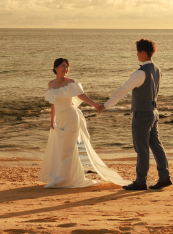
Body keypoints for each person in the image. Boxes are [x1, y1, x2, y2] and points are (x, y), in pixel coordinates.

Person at [38, 58, 130, 188]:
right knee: (61, 149)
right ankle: (70, 178)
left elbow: (82, 96)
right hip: (60, 120)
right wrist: (52, 119)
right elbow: (52, 103)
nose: (66, 69)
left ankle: (62, 180)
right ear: (56, 68)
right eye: (63, 66)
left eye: (67, 67)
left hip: (71, 118)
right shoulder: (51, 84)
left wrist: (96, 106)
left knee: (67, 149)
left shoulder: (71, 82)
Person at [98, 39, 172, 191]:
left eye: (138, 52)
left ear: (143, 52)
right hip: (153, 111)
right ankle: (164, 177)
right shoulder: (157, 69)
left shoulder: (140, 72)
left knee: (142, 148)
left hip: (142, 114)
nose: (137, 55)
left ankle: (140, 181)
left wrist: (105, 105)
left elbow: (122, 90)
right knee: (156, 145)